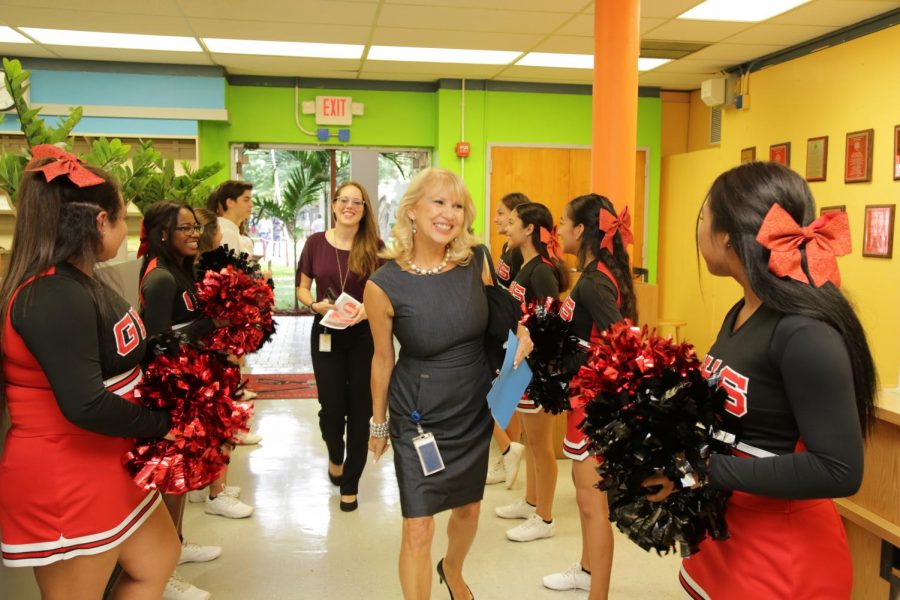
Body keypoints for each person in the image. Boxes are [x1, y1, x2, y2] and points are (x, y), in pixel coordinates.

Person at [645, 161, 872, 599]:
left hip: (781, 564)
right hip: (729, 542)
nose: (698, 231)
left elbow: (839, 470)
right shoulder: (744, 310)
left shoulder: (803, 331)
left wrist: (701, 469)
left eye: (702, 217)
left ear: (728, 234)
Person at [0, 146, 180, 598]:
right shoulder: (51, 294)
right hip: (68, 472)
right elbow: (85, 403)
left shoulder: (80, 278)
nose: (126, 230)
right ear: (101, 222)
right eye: (123, 219)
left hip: (111, 461)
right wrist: (165, 425)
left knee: (158, 558)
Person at [365, 168, 533, 600]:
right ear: (412, 211)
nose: (449, 214)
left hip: (472, 406)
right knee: (418, 525)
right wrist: (378, 424)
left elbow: (501, 320)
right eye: (438, 202)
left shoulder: (476, 262)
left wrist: (522, 339)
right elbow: (383, 359)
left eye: (457, 205)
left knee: (469, 509)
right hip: (417, 413)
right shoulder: (383, 284)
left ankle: (452, 570)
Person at [542, 194, 637, 599]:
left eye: (563, 221)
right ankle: (586, 569)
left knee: (591, 505)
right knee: (585, 500)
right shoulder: (596, 274)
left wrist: (565, 357)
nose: (558, 229)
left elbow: (621, 350)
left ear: (581, 230)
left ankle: (598, 593)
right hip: (583, 399)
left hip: (593, 404)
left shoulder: (596, 283)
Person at [296, 181, 382, 512]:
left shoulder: (374, 246)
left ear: (364, 209)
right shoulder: (316, 243)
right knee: (331, 408)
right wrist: (314, 305)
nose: (349, 206)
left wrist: (367, 311)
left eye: (356, 202)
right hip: (326, 332)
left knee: (360, 409)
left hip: (363, 335)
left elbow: (386, 293)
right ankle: (335, 452)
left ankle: (351, 483)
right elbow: (303, 288)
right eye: (343, 200)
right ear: (333, 206)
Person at [495, 203, 569, 543]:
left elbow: (550, 323)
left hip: (537, 368)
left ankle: (545, 517)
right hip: (520, 360)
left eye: (512, 222)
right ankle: (531, 501)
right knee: (528, 438)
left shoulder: (541, 270)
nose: (506, 227)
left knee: (540, 445)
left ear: (529, 230)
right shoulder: (523, 265)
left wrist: (537, 357)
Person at [206, 181, 263, 444]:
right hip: (227, 310)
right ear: (230, 202)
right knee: (227, 370)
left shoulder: (232, 230)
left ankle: (232, 426)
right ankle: (231, 429)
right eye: (246, 200)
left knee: (231, 369)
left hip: (234, 309)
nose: (251, 205)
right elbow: (228, 276)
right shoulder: (224, 231)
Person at [484, 192, 530, 488]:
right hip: (505, 327)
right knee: (504, 400)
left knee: (505, 398)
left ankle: (509, 451)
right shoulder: (505, 247)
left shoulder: (519, 252)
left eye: (504, 214)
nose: (498, 218)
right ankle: (508, 453)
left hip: (513, 330)